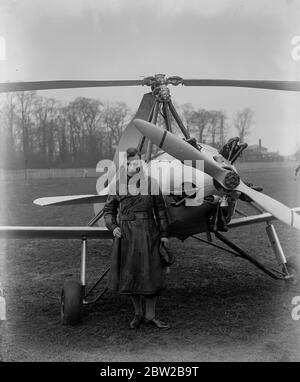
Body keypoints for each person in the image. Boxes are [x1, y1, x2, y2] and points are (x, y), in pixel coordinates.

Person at [103, 147, 171, 330]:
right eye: (131, 163)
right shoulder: (117, 185)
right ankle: (138, 314)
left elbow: (161, 212)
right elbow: (108, 211)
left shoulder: (152, 184)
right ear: (125, 165)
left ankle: (151, 316)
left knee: (151, 275)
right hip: (127, 236)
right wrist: (113, 227)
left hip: (150, 234)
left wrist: (164, 236)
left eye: (138, 162)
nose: (135, 166)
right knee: (130, 277)